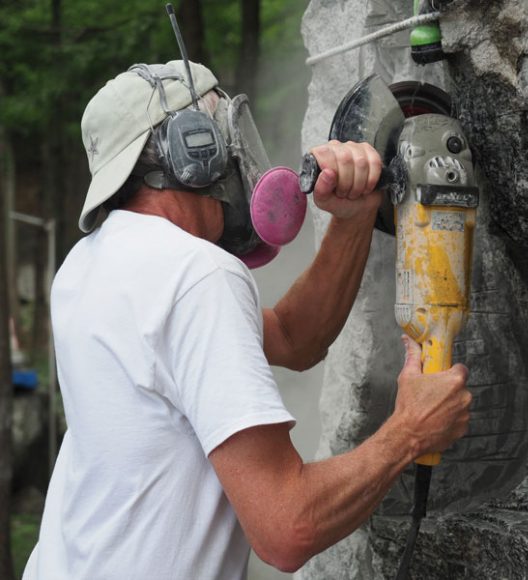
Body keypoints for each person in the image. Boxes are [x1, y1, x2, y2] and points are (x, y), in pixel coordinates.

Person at [23, 61, 471, 579]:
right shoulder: (196, 274)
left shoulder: (87, 265)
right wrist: (409, 432)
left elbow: (291, 338)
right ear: (194, 151)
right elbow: (286, 528)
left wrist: (353, 218)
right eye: (226, 135)